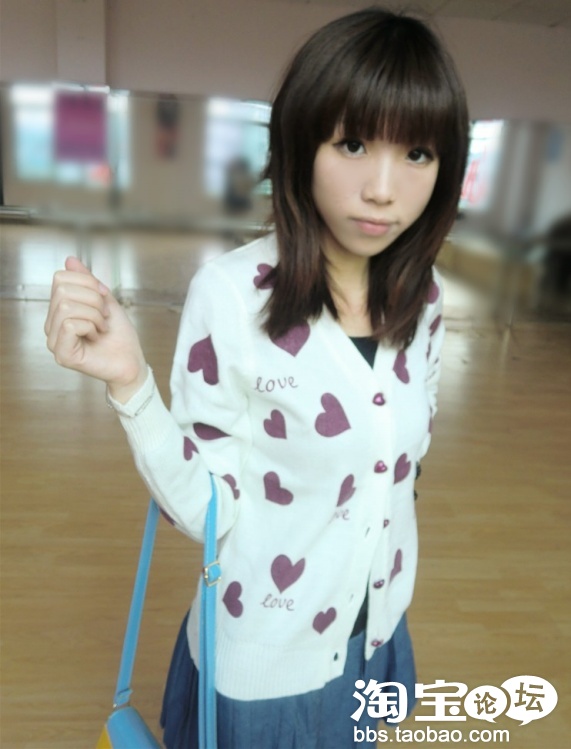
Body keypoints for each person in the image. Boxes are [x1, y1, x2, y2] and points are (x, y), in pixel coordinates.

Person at [45, 7, 469, 748]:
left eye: (417, 154)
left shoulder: (422, 298)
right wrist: (131, 382)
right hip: (268, 658)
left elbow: (403, 465)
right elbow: (207, 510)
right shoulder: (232, 297)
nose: (382, 189)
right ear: (301, 142)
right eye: (353, 143)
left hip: (375, 631)